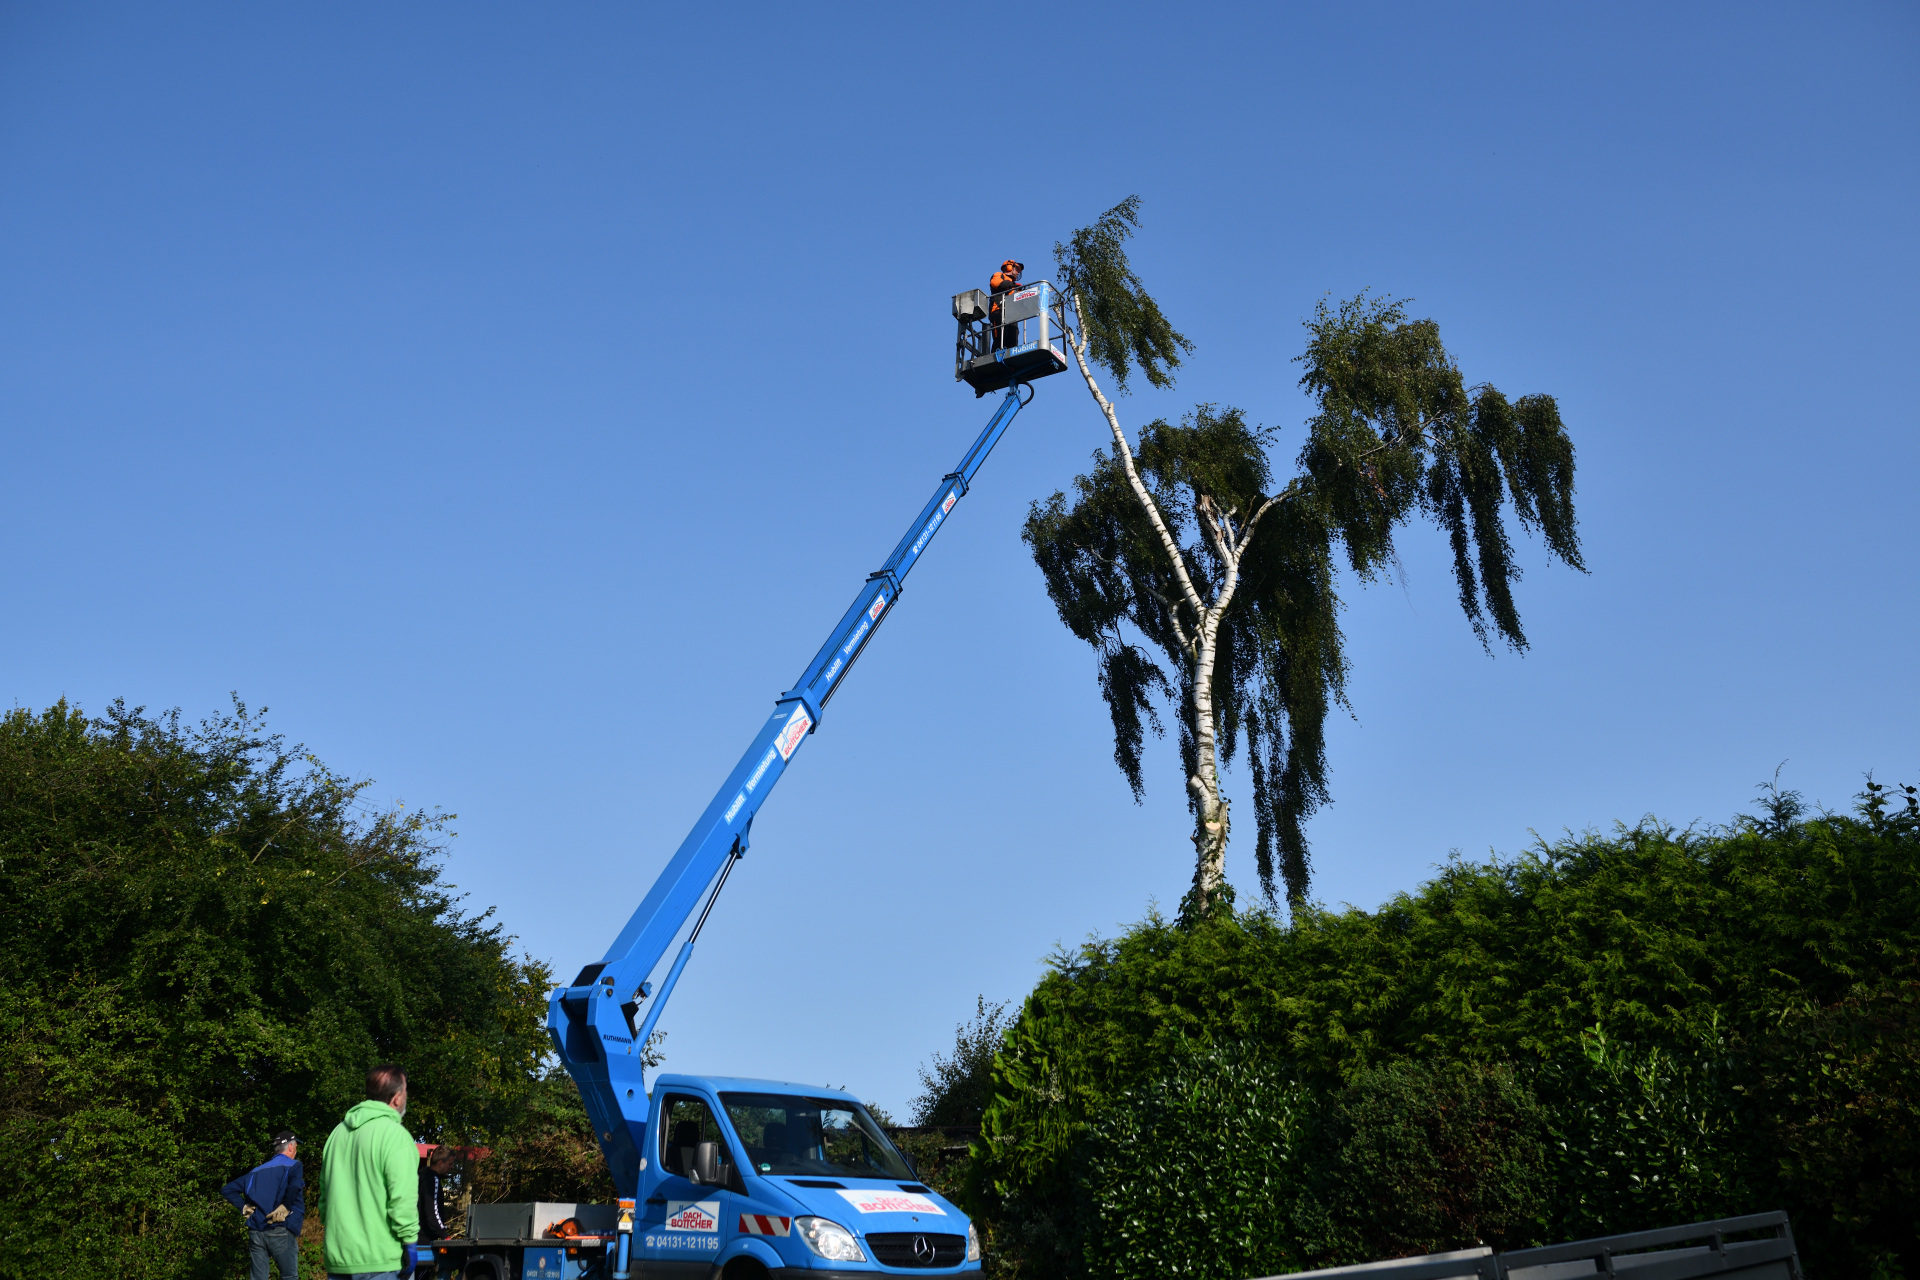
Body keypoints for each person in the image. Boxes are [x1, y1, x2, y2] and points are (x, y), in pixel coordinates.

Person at [320, 1063, 421, 1280]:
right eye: (405, 1092)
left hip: (339, 1259)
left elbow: (325, 1198)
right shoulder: (396, 1136)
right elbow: (402, 1199)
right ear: (396, 1098)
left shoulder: (337, 1134)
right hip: (381, 1259)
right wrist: (410, 1241)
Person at [221, 1130, 305, 1280]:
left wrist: (243, 1206)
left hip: (256, 1233)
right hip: (280, 1229)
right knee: (289, 1277)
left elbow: (228, 1189)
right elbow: (294, 1187)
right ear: (291, 1147)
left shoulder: (256, 1171)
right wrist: (285, 1207)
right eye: (296, 1147)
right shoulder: (294, 1166)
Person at [417, 1145, 458, 1248]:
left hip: (415, 1236)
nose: (451, 1167)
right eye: (450, 1164)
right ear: (440, 1163)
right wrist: (444, 1235)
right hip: (424, 1239)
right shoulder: (433, 1180)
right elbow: (432, 1211)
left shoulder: (421, 1176)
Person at [989, 259, 1025, 350]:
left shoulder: (1014, 285)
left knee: (1013, 335)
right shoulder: (999, 275)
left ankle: (1011, 356)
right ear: (1009, 267)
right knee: (1000, 337)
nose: (1018, 273)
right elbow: (997, 284)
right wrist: (1013, 285)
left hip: (1011, 314)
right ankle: (995, 356)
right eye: (1016, 269)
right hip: (998, 310)